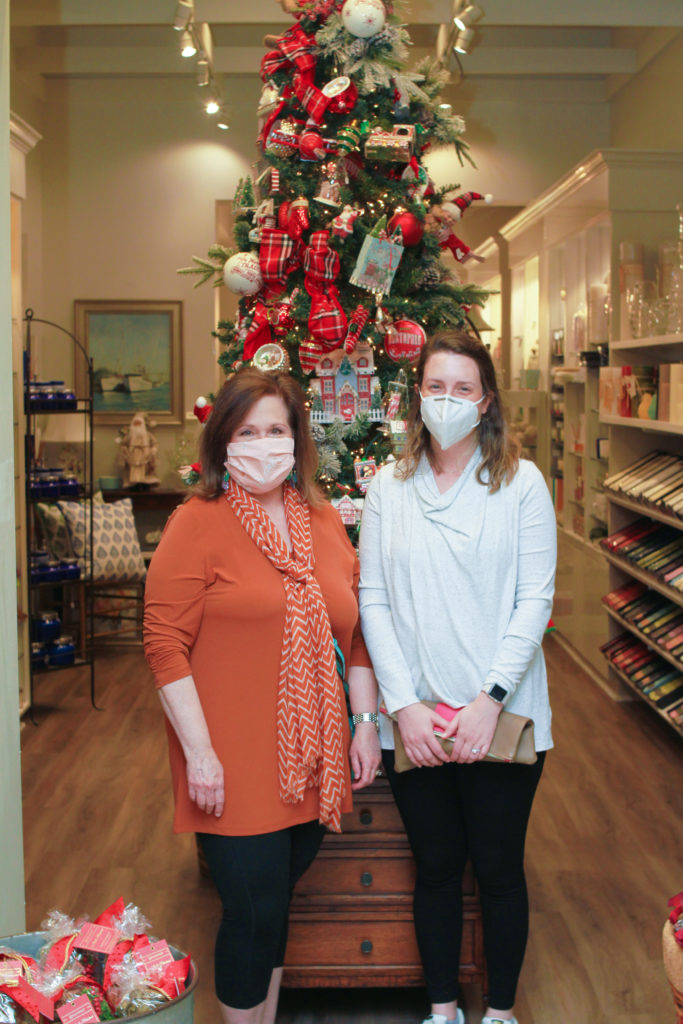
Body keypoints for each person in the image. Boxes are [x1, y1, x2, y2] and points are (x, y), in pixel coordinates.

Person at [144, 367, 380, 1024]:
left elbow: (354, 633)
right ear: (223, 442)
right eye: (248, 431)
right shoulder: (198, 523)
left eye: (276, 429)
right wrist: (200, 756)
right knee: (250, 913)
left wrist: (364, 725)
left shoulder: (324, 521)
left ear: (296, 439)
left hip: (311, 759)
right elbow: (164, 645)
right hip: (230, 760)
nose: (264, 443)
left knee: (273, 907)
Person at [358, 330, 556, 1024]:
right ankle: (441, 1009)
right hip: (415, 719)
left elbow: (534, 599)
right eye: (434, 387)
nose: (447, 400)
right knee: (436, 868)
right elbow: (372, 599)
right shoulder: (388, 486)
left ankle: (498, 1012)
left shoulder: (519, 483)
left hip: (501, 717)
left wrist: (487, 702)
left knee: (499, 870)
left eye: (462, 388)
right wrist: (403, 706)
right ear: (417, 398)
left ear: (486, 400)